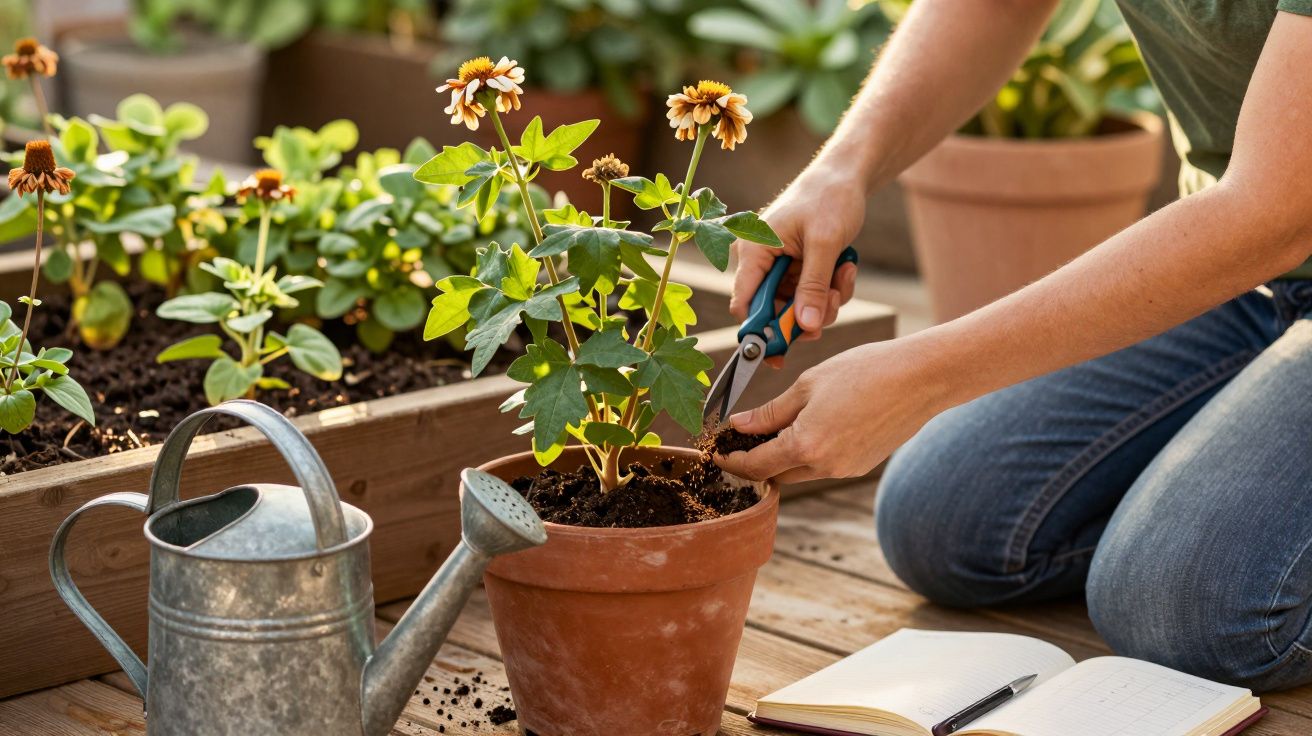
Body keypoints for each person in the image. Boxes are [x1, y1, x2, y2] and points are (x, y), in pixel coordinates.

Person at [714, 0, 1312, 692]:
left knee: (1190, 607)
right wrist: (841, 170)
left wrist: (923, 377)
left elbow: (1274, 215)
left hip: (1265, 227)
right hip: (1248, 278)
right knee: (942, 523)